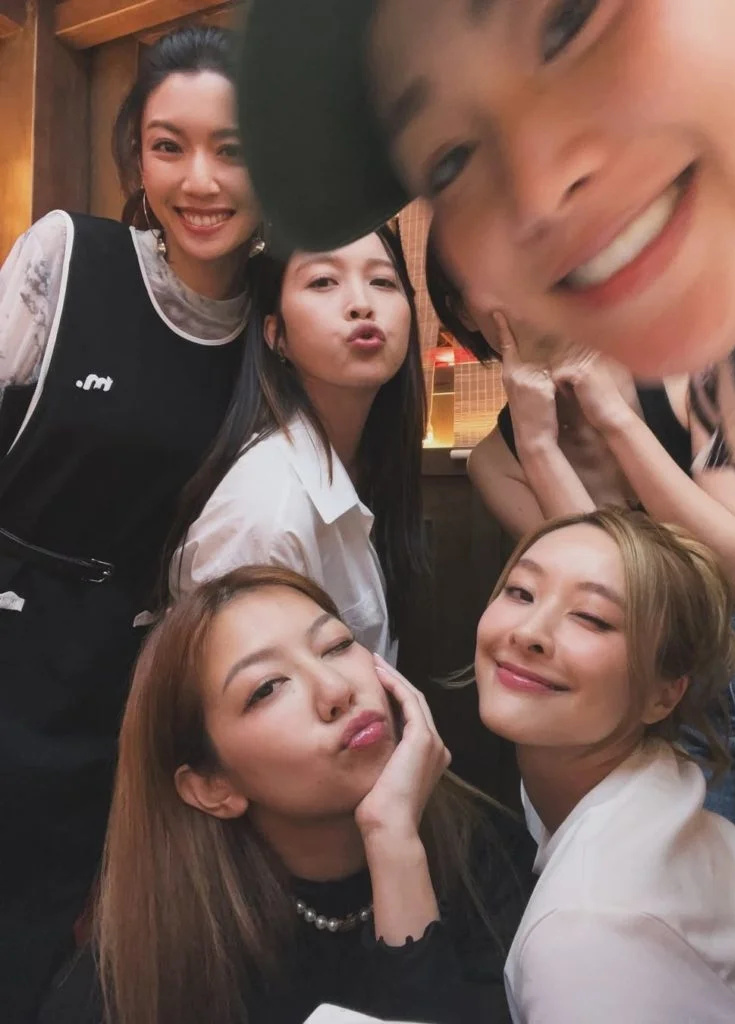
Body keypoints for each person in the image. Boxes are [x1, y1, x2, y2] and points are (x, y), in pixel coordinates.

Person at [234, 0, 735, 528]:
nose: (537, 193)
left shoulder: (707, 379)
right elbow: (643, 591)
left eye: (569, 22)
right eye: (449, 161)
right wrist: (538, 446)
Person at [426, 238, 735, 912]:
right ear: (462, 310)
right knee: (700, 913)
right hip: (670, 690)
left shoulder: (712, 360)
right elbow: (620, 596)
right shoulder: (499, 461)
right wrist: (540, 445)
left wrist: (612, 415)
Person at [0, 25, 263, 1022]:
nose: (200, 180)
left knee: (46, 945)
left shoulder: (277, 324)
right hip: (10, 631)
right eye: (168, 146)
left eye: (233, 149)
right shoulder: (72, 256)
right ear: (136, 159)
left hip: (123, 685)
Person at [38, 566, 535, 1024]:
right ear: (211, 787)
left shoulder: (489, 855)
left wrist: (393, 843)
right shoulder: (148, 962)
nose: (335, 689)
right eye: (268, 688)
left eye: (337, 645)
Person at [472, 507, 735, 1023]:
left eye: (592, 618)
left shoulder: (588, 932)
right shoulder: (647, 778)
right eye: (521, 592)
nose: (529, 632)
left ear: (664, 695)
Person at [166, 225, 426, 661]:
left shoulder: (367, 464)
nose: (362, 303)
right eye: (323, 281)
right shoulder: (267, 516)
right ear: (276, 335)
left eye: (382, 281)